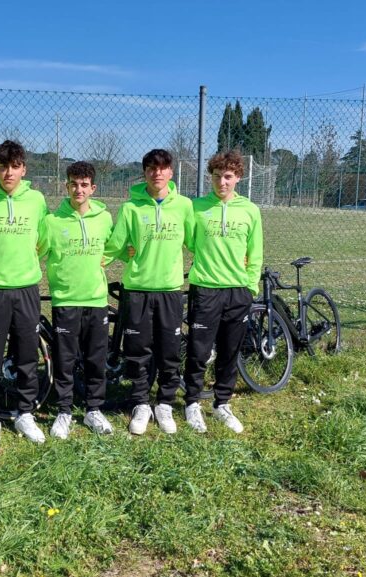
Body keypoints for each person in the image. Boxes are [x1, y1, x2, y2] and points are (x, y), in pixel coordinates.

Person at [106, 149, 194, 435]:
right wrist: (119, 255)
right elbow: (115, 245)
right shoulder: (130, 208)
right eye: (151, 169)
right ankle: (141, 403)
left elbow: (197, 242)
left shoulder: (184, 206)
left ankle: (165, 403)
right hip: (137, 290)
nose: (157, 173)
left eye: (162, 168)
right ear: (144, 173)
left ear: (171, 172)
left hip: (169, 290)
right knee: (137, 351)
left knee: (169, 351)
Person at [0, 140, 49, 449]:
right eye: (3, 167)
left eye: (15, 167)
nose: (8, 173)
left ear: (23, 169)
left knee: (27, 353)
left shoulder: (36, 200)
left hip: (26, 287)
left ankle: (25, 413)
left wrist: (26, 262)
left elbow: (43, 239)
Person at [182, 150, 262, 433]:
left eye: (228, 177)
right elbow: (190, 241)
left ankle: (222, 404)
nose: (222, 182)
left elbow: (256, 252)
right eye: (217, 176)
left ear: (238, 177)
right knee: (199, 350)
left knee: (230, 351)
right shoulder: (196, 207)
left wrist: (250, 287)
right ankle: (192, 403)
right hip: (206, 289)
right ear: (211, 177)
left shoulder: (250, 210)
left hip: (238, 291)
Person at [37, 161, 115, 438]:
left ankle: (94, 409)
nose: (78, 189)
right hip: (66, 300)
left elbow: (114, 246)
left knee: (96, 358)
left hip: (95, 299)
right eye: (73, 184)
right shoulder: (52, 221)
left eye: (84, 185)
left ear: (93, 188)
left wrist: (105, 261)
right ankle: (64, 411)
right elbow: (36, 250)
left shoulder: (104, 219)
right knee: (65, 358)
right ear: (66, 186)